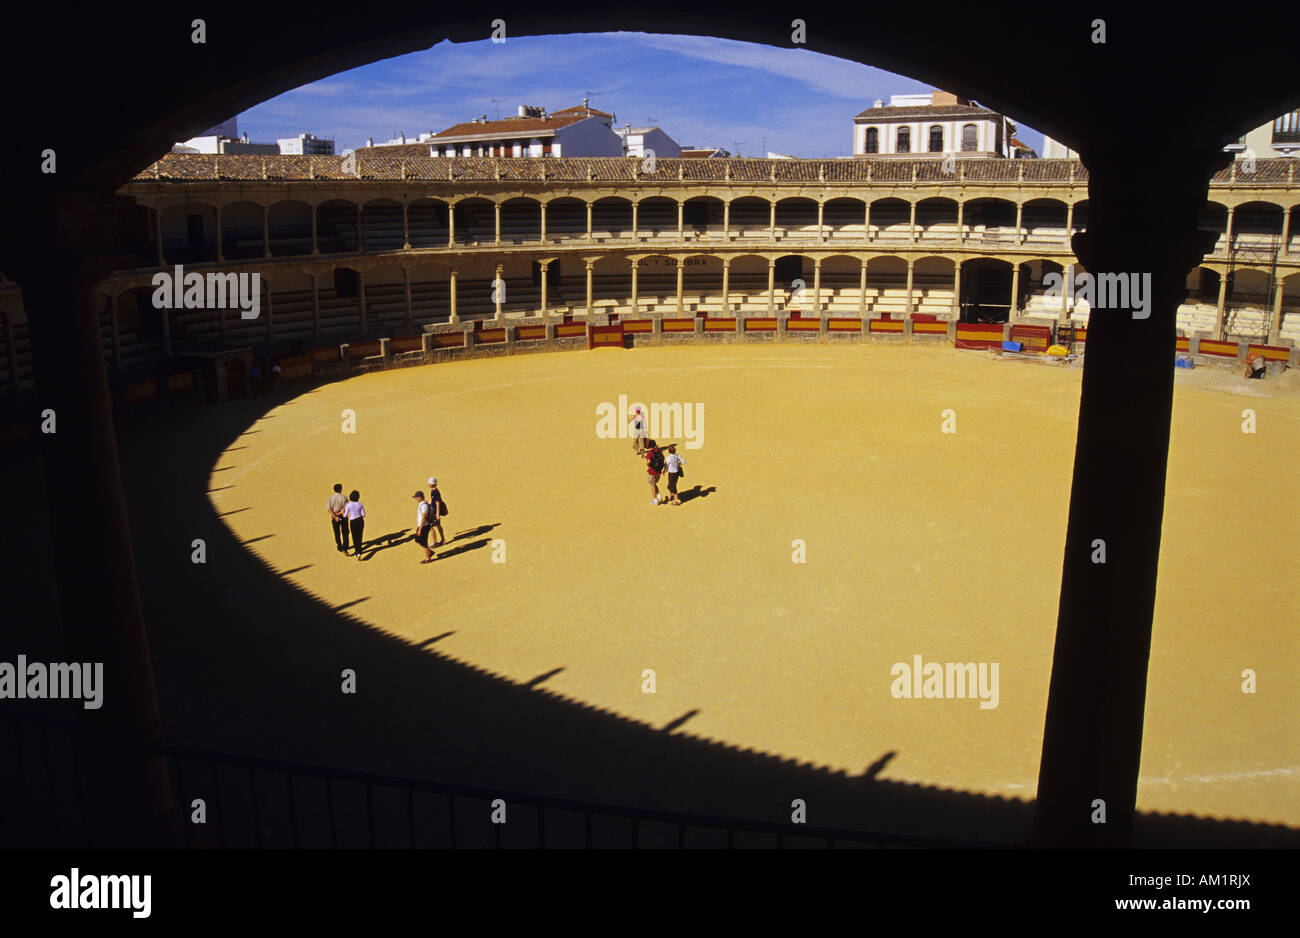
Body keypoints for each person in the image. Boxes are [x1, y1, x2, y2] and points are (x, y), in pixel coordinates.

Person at [412, 491, 434, 563]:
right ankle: (430, 552)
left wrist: (420, 529)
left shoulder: (424, 505)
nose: (416, 499)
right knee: (417, 540)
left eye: (416, 497)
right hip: (423, 526)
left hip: (423, 526)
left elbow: (423, 517)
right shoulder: (423, 504)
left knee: (424, 543)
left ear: (420, 497)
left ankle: (428, 559)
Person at [327, 483, 349, 553]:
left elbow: (329, 509)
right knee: (345, 532)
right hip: (342, 516)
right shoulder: (344, 497)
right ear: (340, 489)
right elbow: (346, 508)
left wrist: (335, 516)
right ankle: (345, 547)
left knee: (337, 533)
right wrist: (340, 513)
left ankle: (339, 547)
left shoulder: (331, 498)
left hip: (334, 516)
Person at [343, 490, 366, 559]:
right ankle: (359, 551)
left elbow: (345, 515)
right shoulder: (360, 504)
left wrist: (342, 512)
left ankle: (357, 552)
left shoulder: (348, 505)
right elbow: (364, 515)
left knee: (354, 536)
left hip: (353, 521)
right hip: (360, 520)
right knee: (360, 535)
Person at [427, 477, 447, 547]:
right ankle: (443, 539)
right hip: (434, 511)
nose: (428, 484)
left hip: (435, 512)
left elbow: (437, 503)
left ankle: (435, 541)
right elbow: (432, 500)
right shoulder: (433, 491)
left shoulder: (435, 492)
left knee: (430, 526)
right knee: (438, 526)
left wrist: (437, 514)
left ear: (432, 484)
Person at [644, 439, 665, 505]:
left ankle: (655, 500)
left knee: (652, 485)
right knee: (654, 484)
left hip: (652, 471)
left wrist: (648, 464)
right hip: (658, 471)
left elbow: (649, 462)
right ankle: (659, 496)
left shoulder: (650, 453)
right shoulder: (660, 452)